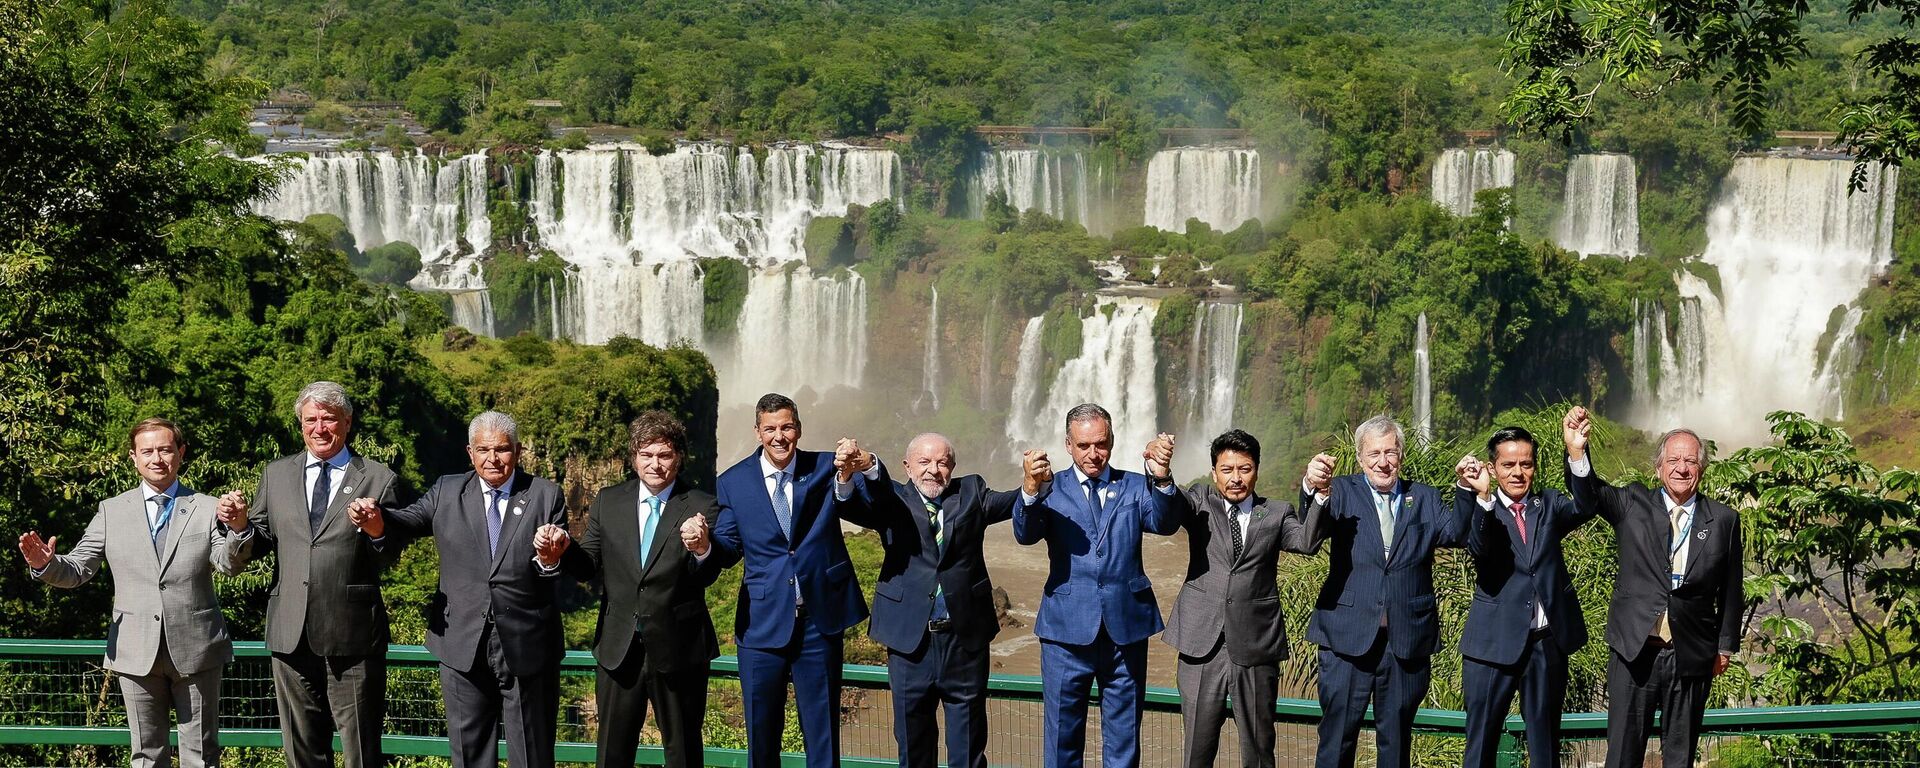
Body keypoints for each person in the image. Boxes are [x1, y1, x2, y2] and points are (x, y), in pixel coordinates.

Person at [18, 418, 253, 767]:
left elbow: (228, 564)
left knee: (201, 756)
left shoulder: (208, 507)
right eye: (148, 451)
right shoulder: (112, 511)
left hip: (197, 647)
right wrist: (46, 565)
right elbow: (79, 569)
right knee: (145, 755)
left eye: (165, 449)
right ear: (134, 457)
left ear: (180, 453)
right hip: (133, 649)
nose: (157, 458)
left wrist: (238, 528)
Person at [348, 411, 569, 768]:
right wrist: (377, 519)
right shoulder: (447, 490)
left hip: (528, 643)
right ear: (470, 453)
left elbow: (554, 571)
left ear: (518, 450)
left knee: (532, 755)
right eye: (483, 449)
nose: (492, 459)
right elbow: (407, 520)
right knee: (468, 756)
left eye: (502, 449)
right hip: (461, 640)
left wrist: (549, 558)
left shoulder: (545, 494)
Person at [221, 381, 403, 768]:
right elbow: (259, 540)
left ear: (347, 422)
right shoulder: (276, 475)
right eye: (310, 420)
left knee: (361, 751)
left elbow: (391, 553)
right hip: (290, 630)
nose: (319, 428)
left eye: (328, 419)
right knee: (301, 750)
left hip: (353, 634)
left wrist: (376, 529)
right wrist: (239, 526)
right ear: (300, 425)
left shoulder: (378, 477)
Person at [842, 432, 1050, 768]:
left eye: (942, 462)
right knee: (913, 744)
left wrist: (1030, 483)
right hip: (910, 642)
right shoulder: (890, 501)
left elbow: (1013, 502)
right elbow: (850, 502)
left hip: (964, 641)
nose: (933, 470)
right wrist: (855, 470)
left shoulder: (971, 493)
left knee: (968, 749)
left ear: (952, 466)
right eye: (924, 462)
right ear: (907, 467)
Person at [1561, 406, 1745, 768]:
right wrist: (1577, 452)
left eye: (1690, 461)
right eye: (1673, 460)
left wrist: (1725, 646)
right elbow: (1590, 494)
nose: (1682, 468)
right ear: (1658, 468)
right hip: (1634, 651)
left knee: (1680, 757)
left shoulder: (1724, 520)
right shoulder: (1632, 502)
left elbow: (1731, 589)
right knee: (1622, 755)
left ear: (1701, 468)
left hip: (1690, 653)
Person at [1012, 402, 1190, 768]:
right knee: (1062, 741)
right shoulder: (1049, 489)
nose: (1094, 454)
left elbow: (1166, 523)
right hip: (1064, 633)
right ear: (1067, 445)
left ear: (1112, 440)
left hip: (1125, 631)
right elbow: (1025, 534)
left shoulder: (1137, 485)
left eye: (1102, 444)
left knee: (1124, 741)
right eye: (1084, 446)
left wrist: (1161, 477)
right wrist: (1029, 490)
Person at [549, 411, 725, 768]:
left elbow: (706, 575)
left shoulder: (702, 504)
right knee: (612, 753)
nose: (655, 464)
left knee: (684, 753)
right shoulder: (609, 500)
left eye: (664, 455)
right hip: (619, 647)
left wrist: (703, 547)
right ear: (633, 457)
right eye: (647, 455)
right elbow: (588, 566)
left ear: (679, 457)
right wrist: (563, 551)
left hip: (679, 648)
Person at [708, 393, 874, 768]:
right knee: (762, 737)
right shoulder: (733, 482)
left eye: (786, 427)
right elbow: (729, 546)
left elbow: (870, 508)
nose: (779, 436)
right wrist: (704, 545)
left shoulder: (824, 468)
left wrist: (856, 470)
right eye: (770, 429)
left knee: (823, 736)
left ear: (798, 429)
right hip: (761, 624)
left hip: (819, 620)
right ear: (757, 432)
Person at [1300, 413, 1466, 768]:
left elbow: (1457, 533)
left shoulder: (1424, 497)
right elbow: (1311, 529)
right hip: (1347, 641)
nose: (1383, 462)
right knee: (1336, 742)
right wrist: (1314, 488)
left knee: (1396, 744)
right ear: (1360, 458)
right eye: (1373, 453)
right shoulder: (1341, 491)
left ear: (1401, 456)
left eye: (1390, 452)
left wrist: (1468, 490)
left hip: (1405, 643)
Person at [1162, 429, 1323, 768]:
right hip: (1201, 643)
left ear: (1257, 470)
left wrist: (1317, 494)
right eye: (1227, 469)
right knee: (1196, 749)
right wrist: (1161, 474)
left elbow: (1306, 543)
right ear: (1214, 472)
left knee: (1259, 750)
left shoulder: (1277, 512)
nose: (1236, 478)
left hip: (1255, 642)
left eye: (1244, 469)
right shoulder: (1199, 500)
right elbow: (1172, 509)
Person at [1452, 426, 1597, 768]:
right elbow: (1479, 546)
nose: (1518, 472)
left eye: (1526, 464)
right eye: (1509, 465)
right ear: (1492, 468)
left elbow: (1586, 507)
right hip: (1491, 647)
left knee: (1545, 750)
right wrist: (1484, 498)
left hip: (1545, 645)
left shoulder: (1547, 504)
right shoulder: (1478, 508)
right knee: (1480, 748)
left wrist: (1576, 451)